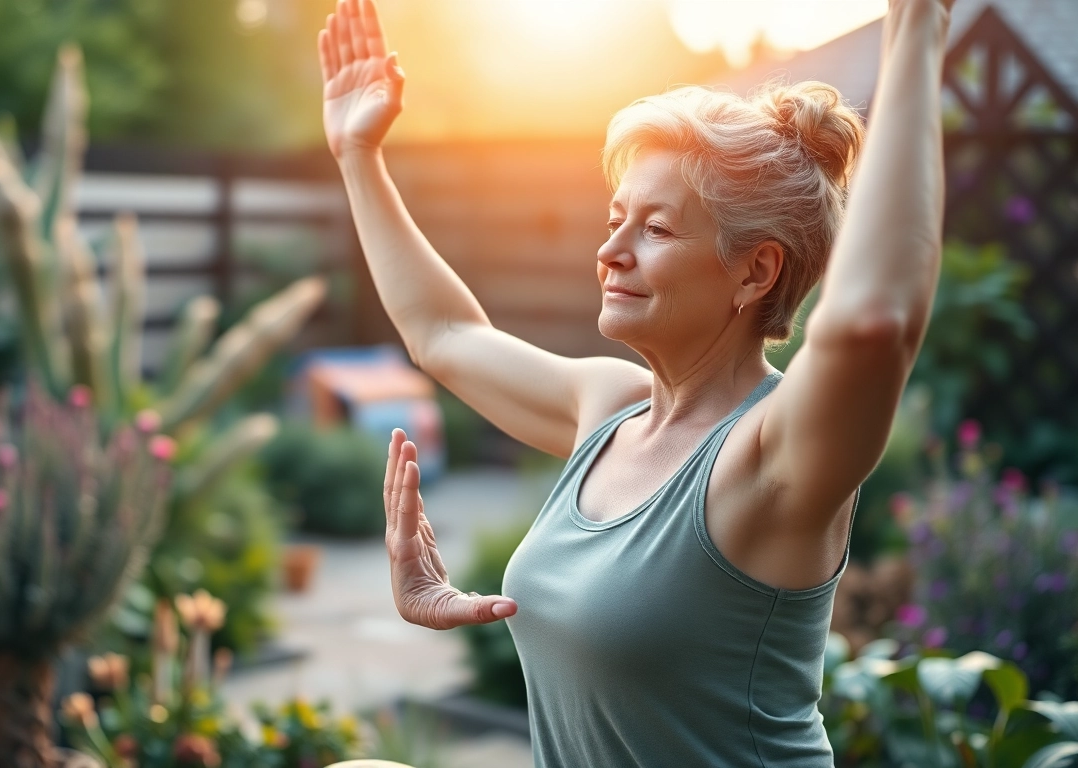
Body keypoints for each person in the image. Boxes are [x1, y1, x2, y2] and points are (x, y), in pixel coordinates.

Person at [318, 0, 951, 763]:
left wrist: (915, 27)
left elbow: (871, 323)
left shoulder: (773, 456)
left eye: (655, 228)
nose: (611, 250)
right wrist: (359, 155)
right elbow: (446, 336)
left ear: (755, 272)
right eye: (616, 217)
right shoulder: (609, 409)